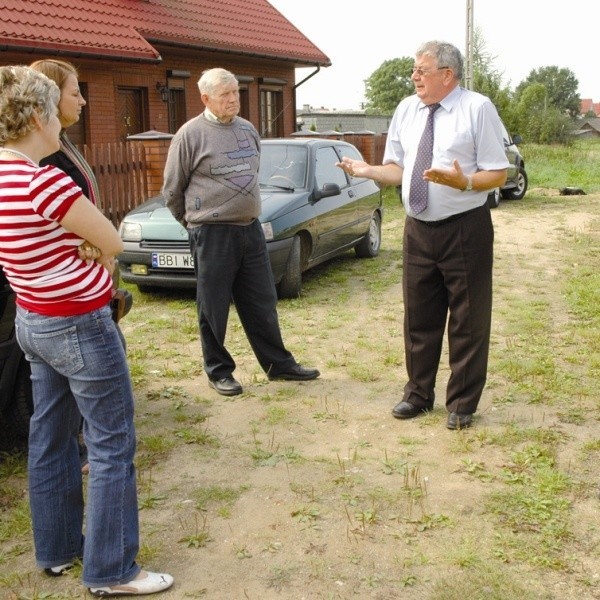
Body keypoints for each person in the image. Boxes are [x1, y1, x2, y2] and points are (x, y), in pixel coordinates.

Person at [0, 65, 174, 596]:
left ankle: (57, 551)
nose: (59, 121)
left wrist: (79, 246)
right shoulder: (43, 179)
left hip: (32, 320)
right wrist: (89, 248)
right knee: (111, 443)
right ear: (36, 116)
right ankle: (113, 569)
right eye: (54, 110)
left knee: (49, 438)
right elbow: (114, 241)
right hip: (78, 323)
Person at [337, 41, 509, 430]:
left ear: (447, 75)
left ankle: (462, 403)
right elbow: (397, 168)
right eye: (414, 70)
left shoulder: (477, 108)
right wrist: (368, 171)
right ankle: (417, 395)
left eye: (421, 70)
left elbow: (498, 173)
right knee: (418, 316)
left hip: (465, 228)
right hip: (418, 229)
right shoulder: (406, 110)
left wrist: (464, 181)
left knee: (468, 318)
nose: (414, 76)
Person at [162, 67, 319, 396]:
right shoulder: (190, 135)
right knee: (214, 306)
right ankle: (219, 371)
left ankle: (279, 365)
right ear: (206, 98)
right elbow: (172, 190)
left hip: (250, 230)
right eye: (225, 95)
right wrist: (195, 225)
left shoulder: (248, 130)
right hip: (212, 234)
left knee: (263, 301)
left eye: (236, 92)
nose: (234, 99)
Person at [29, 58, 99, 474]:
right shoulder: (44, 159)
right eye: (75, 92)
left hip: (82, 276)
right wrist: (97, 244)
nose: (84, 100)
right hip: (66, 289)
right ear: (52, 97)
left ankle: (76, 447)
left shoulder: (62, 142)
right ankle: (83, 449)